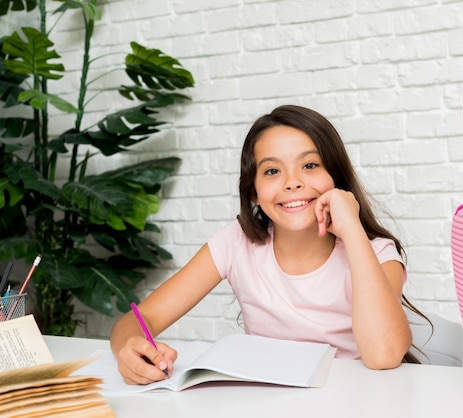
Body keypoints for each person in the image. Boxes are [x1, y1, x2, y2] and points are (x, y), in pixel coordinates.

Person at [110, 104, 430, 385]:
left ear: (337, 179)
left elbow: (385, 354)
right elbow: (137, 320)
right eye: (273, 171)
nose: (293, 182)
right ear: (253, 191)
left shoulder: (376, 252)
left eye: (310, 165)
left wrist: (352, 229)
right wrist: (132, 349)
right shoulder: (237, 243)